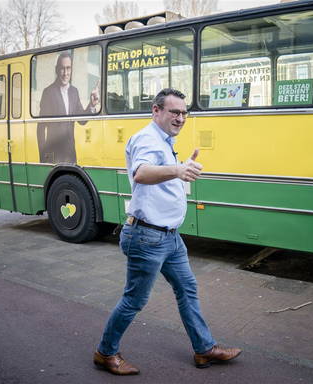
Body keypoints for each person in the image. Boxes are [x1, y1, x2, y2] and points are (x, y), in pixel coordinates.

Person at [94, 88, 241, 375]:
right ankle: (105, 353)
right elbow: (142, 173)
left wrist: (180, 168)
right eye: (174, 111)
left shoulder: (164, 140)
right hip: (147, 237)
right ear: (156, 110)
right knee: (134, 300)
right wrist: (177, 170)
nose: (180, 117)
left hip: (170, 238)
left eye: (184, 112)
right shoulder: (147, 139)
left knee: (187, 289)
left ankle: (204, 348)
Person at [36, 51, 99, 164]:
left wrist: (92, 105)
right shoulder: (48, 92)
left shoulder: (74, 92)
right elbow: (41, 128)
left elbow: (82, 120)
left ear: (71, 70)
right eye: (62, 68)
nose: (65, 73)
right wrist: (43, 155)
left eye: (68, 68)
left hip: (70, 154)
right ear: (57, 70)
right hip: (53, 155)